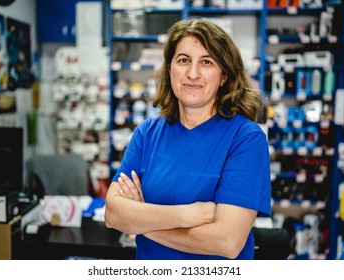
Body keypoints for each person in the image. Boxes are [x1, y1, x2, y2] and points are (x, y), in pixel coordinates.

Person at [105, 18, 271, 260]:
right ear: (170, 68)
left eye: (206, 62)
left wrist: (141, 222)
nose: (193, 73)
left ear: (223, 75)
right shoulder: (146, 134)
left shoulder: (245, 139)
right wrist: (188, 214)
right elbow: (113, 215)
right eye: (183, 60)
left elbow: (227, 241)